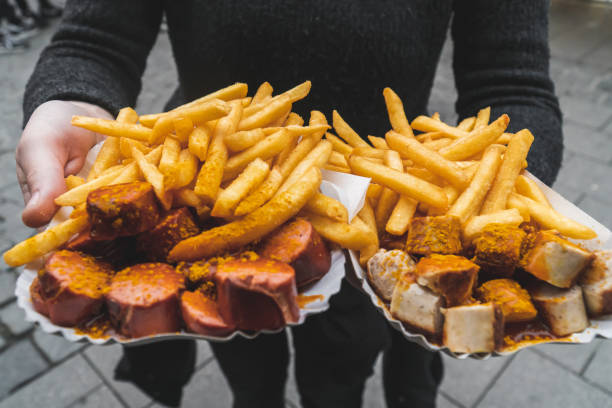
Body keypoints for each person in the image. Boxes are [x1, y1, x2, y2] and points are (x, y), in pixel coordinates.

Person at [16, 1, 562, 407]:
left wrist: (510, 200)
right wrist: (66, 102)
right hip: (206, 196)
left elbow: (512, 80)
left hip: (381, 207)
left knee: (341, 372)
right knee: (248, 368)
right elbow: (94, 41)